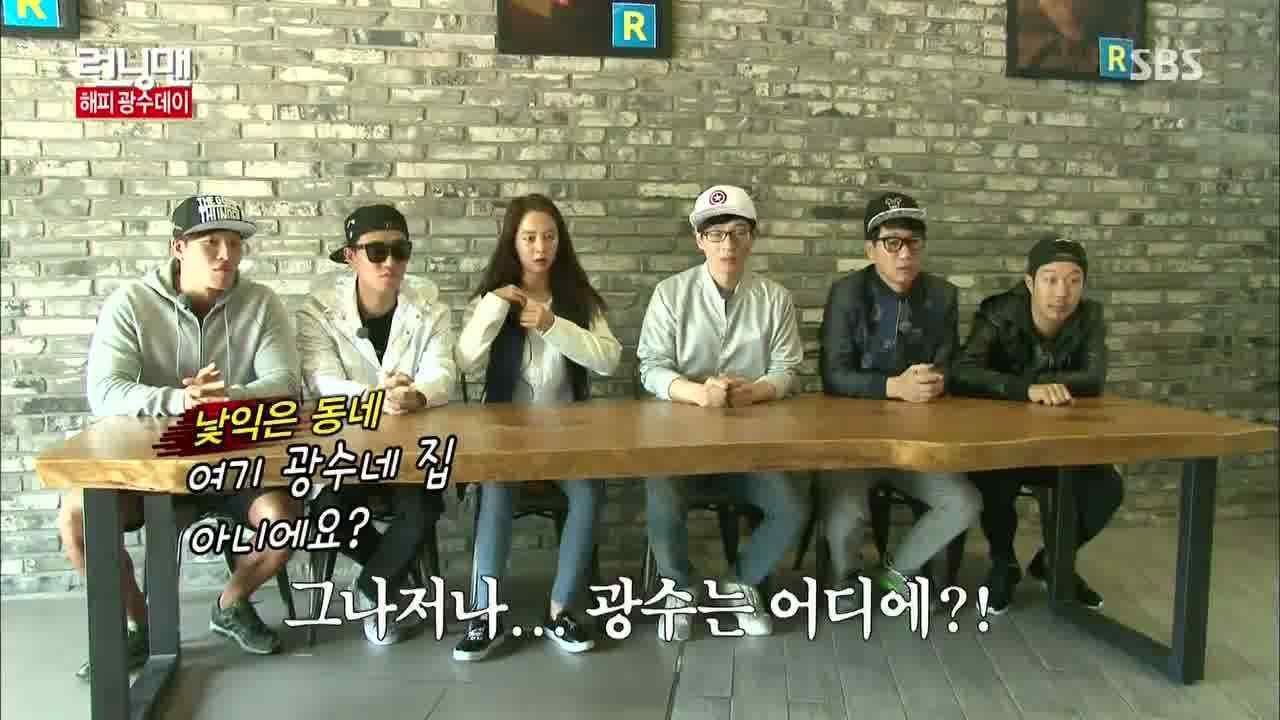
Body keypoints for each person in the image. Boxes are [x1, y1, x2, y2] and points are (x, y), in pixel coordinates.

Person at [60, 194, 302, 677]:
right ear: (178, 248)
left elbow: (286, 384)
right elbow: (105, 392)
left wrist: (226, 398)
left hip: (235, 462)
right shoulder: (130, 303)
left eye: (235, 243)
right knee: (76, 518)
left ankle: (230, 603)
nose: (226, 255)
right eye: (211, 242)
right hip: (149, 467)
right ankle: (143, 626)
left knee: (283, 521)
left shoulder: (261, 302)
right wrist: (181, 400)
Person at [453, 194, 621, 661]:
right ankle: (485, 615)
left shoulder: (578, 300)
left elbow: (608, 359)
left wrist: (552, 324)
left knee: (589, 490)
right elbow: (464, 360)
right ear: (513, 242)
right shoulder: (491, 299)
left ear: (560, 242)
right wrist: (493, 307)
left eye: (549, 236)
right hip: (505, 438)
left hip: (567, 436)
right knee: (495, 492)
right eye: (529, 237)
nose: (540, 247)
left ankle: (562, 610)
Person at [638, 184, 809, 641]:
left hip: (749, 448)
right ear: (700, 240)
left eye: (738, 232)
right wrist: (697, 394)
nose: (727, 244)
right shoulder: (670, 294)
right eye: (715, 234)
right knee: (660, 495)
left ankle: (741, 582)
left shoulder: (774, 298)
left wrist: (756, 392)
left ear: (752, 238)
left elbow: (787, 369)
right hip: (680, 444)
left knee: (791, 508)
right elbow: (651, 368)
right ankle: (678, 587)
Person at [295, 203, 456, 644]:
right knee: (328, 514)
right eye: (376, 251)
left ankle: (371, 589)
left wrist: (416, 395)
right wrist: (376, 398)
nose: (390, 262)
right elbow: (321, 380)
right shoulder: (319, 310)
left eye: (400, 251)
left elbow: (443, 370)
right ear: (350, 256)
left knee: (423, 506)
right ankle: (394, 579)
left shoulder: (429, 305)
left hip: (409, 447)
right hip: (345, 446)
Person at [817, 191, 981, 605]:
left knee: (963, 502)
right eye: (892, 243)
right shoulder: (847, 293)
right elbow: (833, 375)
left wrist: (937, 381)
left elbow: (951, 364)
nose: (904, 254)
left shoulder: (942, 295)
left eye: (913, 243)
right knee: (846, 514)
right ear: (870, 249)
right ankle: (844, 579)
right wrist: (894, 387)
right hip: (852, 443)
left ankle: (895, 570)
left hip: (915, 443)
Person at [952, 233, 1123, 614]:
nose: (1062, 292)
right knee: (992, 478)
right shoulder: (1000, 312)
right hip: (1003, 441)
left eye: (1074, 280)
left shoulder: (1089, 316)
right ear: (1030, 282)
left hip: (1062, 442)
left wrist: (1040, 385)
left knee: (1107, 488)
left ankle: (1054, 562)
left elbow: (1093, 378)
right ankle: (1004, 565)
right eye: (1050, 279)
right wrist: (1026, 389)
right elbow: (962, 372)